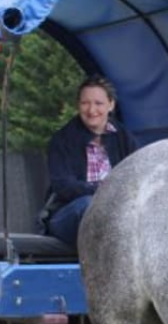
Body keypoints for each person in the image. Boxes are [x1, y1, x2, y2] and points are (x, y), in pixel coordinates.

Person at [42, 75, 139, 247]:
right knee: (88, 207)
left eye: (99, 103)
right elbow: (63, 185)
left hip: (116, 211)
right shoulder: (62, 140)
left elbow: (138, 173)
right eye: (85, 103)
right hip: (70, 214)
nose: (91, 110)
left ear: (111, 105)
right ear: (78, 105)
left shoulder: (123, 137)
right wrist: (100, 191)